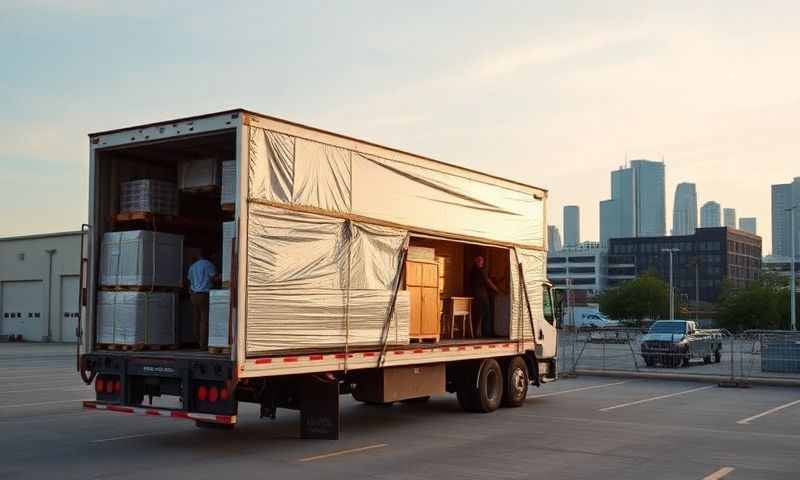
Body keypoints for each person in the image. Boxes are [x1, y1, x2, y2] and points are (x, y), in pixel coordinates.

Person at [187, 250, 217, 348]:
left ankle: (198, 341)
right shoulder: (208, 264)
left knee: (196, 319)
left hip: (193, 295)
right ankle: (203, 344)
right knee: (204, 320)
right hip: (204, 295)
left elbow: (189, 281)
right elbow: (213, 278)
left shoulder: (192, 267)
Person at [469, 255, 498, 337]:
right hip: (481, 295)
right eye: (479, 260)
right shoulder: (480, 270)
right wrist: (496, 289)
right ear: (476, 261)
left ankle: (477, 333)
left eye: (482, 260)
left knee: (478, 314)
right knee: (486, 313)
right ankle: (485, 333)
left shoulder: (473, 270)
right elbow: (487, 281)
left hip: (476, 295)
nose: (481, 262)